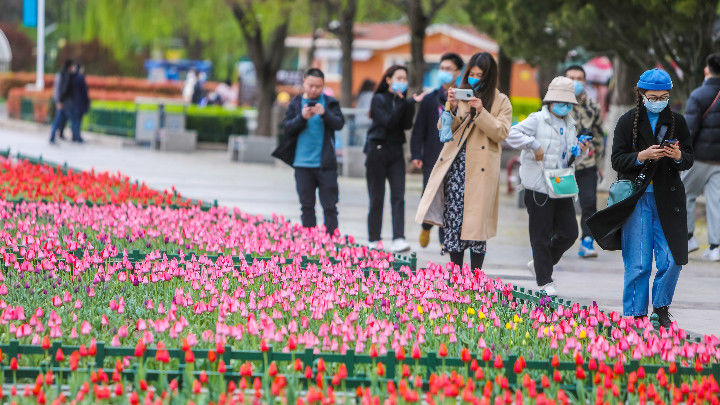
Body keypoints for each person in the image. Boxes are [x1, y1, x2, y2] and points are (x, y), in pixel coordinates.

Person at [588, 69, 693, 328]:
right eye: (653, 96)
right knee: (639, 263)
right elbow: (616, 160)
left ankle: (661, 307)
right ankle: (635, 315)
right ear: (642, 94)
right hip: (637, 200)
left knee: (672, 258)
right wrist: (642, 156)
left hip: (668, 200)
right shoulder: (627, 121)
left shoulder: (677, 121)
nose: (659, 100)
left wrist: (677, 155)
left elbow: (688, 158)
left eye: (664, 96)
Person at [415, 52, 512, 271]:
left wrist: (481, 111)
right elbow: (445, 129)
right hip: (456, 167)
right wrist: (451, 106)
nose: (476, 78)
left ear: (490, 75)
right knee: (454, 221)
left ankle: (476, 275)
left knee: (477, 226)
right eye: (473, 74)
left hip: (481, 171)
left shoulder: (501, 100)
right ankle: (456, 275)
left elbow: (501, 132)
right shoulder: (462, 96)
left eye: (481, 74)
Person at [505, 77, 591, 296]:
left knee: (570, 232)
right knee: (540, 234)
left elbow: (569, 157)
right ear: (550, 101)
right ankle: (545, 281)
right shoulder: (536, 120)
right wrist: (533, 145)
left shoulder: (571, 124)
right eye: (559, 102)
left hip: (561, 184)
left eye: (567, 103)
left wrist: (580, 150)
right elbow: (511, 133)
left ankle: (541, 264)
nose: (563, 106)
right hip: (538, 186)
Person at [272, 68, 345, 235]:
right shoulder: (296, 104)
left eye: (318, 87)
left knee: (330, 207)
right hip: (302, 164)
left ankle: (331, 241)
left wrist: (325, 114)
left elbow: (339, 124)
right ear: (304, 82)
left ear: (323, 86)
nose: (314, 90)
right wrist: (302, 118)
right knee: (307, 206)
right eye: (311, 85)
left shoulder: (330, 103)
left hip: (326, 164)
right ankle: (310, 243)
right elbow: (287, 129)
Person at [364, 66, 422, 252]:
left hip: (396, 151)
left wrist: (408, 104)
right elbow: (388, 122)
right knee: (376, 197)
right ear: (388, 79)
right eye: (399, 78)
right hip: (377, 150)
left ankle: (398, 238)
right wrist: (406, 103)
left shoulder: (403, 101)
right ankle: (374, 239)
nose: (402, 81)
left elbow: (405, 125)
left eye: (405, 78)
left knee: (398, 197)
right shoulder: (378, 99)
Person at [411, 52, 465, 249]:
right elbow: (419, 129)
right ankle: (426, 226)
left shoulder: (463, 99)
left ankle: (445, 241)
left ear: (458, 72)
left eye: (448, 69)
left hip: (453, 157)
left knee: (449, 199)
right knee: (429, 194)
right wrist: (416, 154)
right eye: (441, 68)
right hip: (432, 156)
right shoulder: (430, 99)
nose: (444, 72)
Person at [683, 53, 720, 261]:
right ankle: (715, 247)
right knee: (716, 201)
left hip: (699, 157)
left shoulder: (698, 94)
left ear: (707, 71)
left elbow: (690, 129)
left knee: (685, 193)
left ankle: (688, 239)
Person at [565, 65, 604, 258]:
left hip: (587, 164)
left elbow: (598, 135)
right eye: (571, 78)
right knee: (561, 203)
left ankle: (587, 241)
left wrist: (599, 161)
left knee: (589, 202)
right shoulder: (557, 105)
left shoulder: (593, 107)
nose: (575, 82)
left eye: (579, 78)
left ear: (585, 82)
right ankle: (557, 237)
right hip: (563, 165)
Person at [50, 59, 82, 144]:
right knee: (70, 120)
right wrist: (59, 101)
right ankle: (76, 137)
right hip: (65, 102)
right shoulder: (65, 75)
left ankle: (55, 136)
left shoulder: (63, 74)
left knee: (61, 120)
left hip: (63, 102)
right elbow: (62, 89)